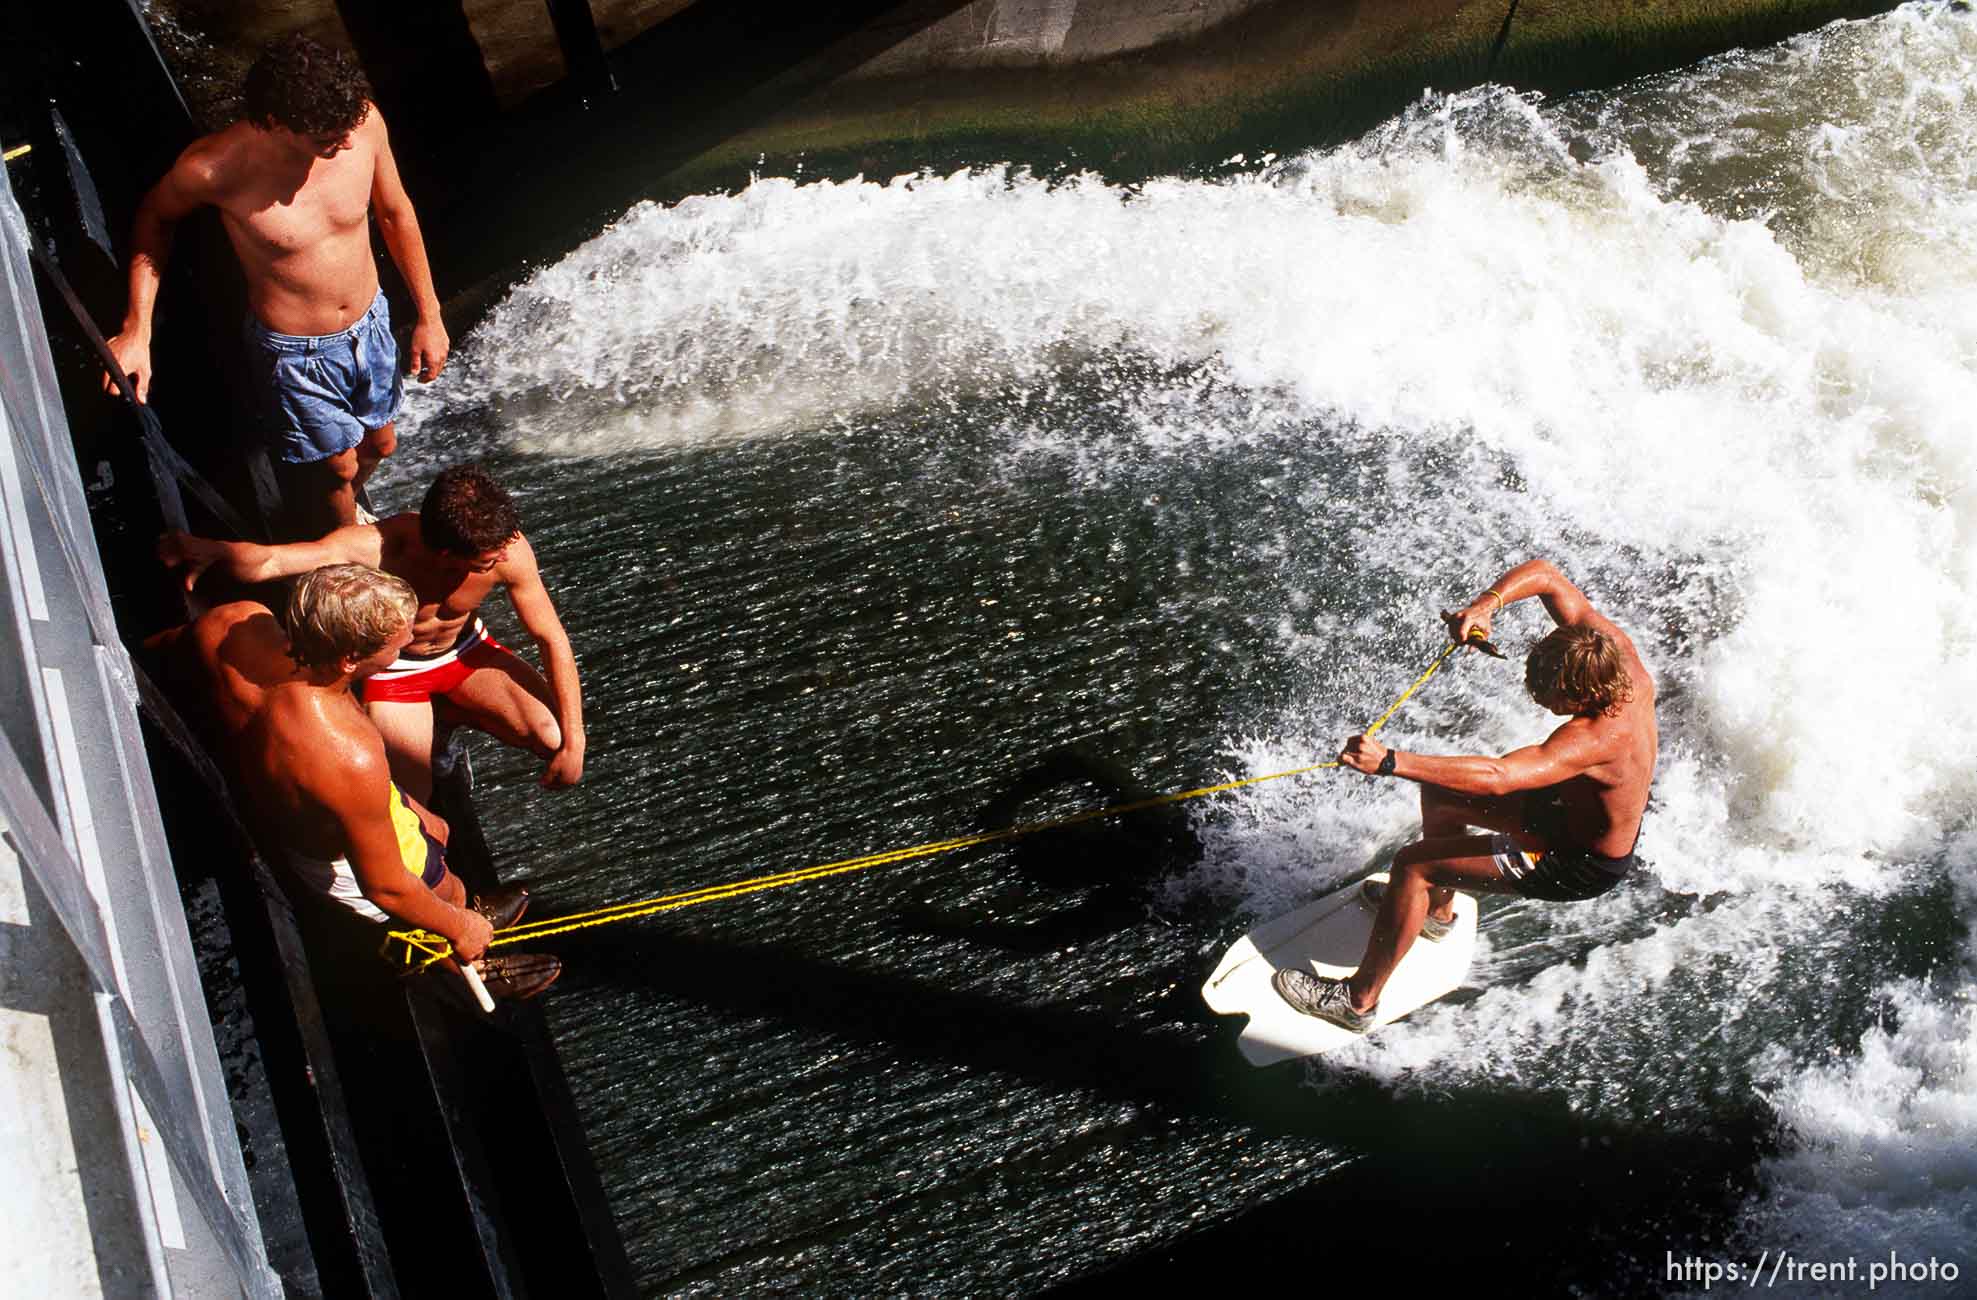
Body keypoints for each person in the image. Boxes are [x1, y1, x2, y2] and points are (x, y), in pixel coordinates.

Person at [1273, 558, 1658, 1033]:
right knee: (1440, 792)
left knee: (1412, 864)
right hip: (1568, 814)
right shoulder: (1616, 656)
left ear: (1580, 700)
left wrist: (1390, 762)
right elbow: (1548, 575)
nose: (1540, 702)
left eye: (1549, 699)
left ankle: (1356, 1002)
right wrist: (1485, 606)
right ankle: (1435, 912)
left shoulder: (1594, 740)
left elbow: (1499, 776)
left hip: (1575, 860)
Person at [147, 563, 558, 1000]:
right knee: (442, 886)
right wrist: (461, 926)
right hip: (329, 854)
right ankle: (460, 967)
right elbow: (386, 886)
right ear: (349, 658)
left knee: (438, 827)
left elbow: (163, 649)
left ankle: (453, 910)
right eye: (396, 646)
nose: (407, 646)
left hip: (296, 788)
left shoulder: (233, 622)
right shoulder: (350, 751)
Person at [102, 34, 448, 533]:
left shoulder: (362, 123)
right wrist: (137, 330)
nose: (345, 143)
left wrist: (429, 314)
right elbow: (154, 220)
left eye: (346, 128)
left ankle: (338, 518)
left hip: (371, 326)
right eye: (325, 137)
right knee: (338, 468)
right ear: (275, 123)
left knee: (380, 446)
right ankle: (344, 556)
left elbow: (395, 214)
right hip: (294, 352)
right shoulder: (213, 168)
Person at [159, 463, 585, 803]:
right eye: (485, 563)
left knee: (553, 737)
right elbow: (274, 562)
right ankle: (431, 730)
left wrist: (576, 743)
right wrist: (216, 552)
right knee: (416, 796)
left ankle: (451, 715)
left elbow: (551, 638)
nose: (501, 560)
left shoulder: (506, 549)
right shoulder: (375, 548)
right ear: (445, 553)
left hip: (464, 652)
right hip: (396, 669)